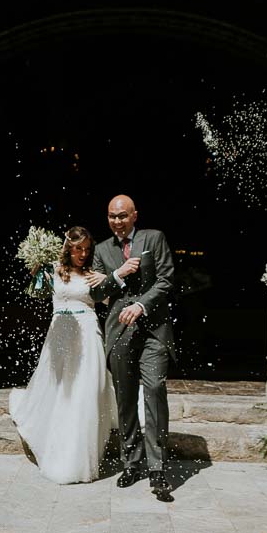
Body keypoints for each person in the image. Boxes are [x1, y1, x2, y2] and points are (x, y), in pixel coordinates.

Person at [9, 227, 116, 484]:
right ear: (68, 248)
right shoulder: (54, 269)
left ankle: (78, 457)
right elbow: (36, 294)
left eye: (87, 249)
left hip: (88, 333)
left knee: (85, 391)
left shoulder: (92, 275)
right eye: (78, 249)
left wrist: (107, 281)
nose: (83, 254)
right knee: (60, 390)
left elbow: (111, 302)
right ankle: (58, 445)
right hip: (59, 334)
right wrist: (36, 273)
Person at [91, 195, 176, 502]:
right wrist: (120, 273)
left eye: (123, 215)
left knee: (154, 389)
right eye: (112, 216)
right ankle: (132, 462)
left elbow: (165, 280)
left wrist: (141, 304)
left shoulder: (154, 238)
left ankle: (157, 468)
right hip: (119, 331)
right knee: (125, 399)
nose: (118, 221)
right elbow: (97, 291)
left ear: (135, 215)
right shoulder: (101, 250)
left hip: (153, 330)